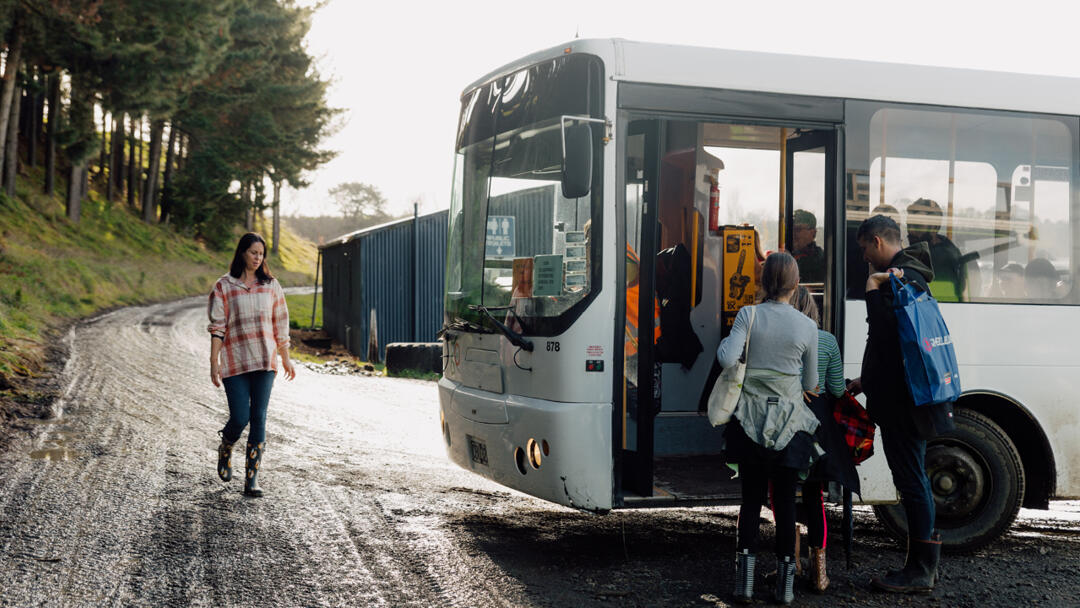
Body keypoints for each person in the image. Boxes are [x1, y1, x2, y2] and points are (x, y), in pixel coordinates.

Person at [848, 215, 954, 593]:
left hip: (905, 403)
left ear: (877, 241)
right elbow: (899, 346)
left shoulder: (896, 278)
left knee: (911, 480)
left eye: (863, 249)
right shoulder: (912, 275)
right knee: (914, 479)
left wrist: (872, 287)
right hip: (909, 396)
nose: (864, 258)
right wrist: (866, 381)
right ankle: (923, 566)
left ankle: (921, 571)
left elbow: (883, 331)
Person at [718, 252, 818, 605]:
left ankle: (743, 584)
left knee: (750, 501)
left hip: (749, 422)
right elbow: (811, 381)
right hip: (790, 426)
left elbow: (728, 359)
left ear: (763, 281)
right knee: (786, 504)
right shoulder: (807, 326)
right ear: (795, 284)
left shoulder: (750, 314)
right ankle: (786, 587)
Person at [208, 232, 296, 498]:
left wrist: (285, 357)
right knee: (240, 417)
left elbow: (280, 322)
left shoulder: (271, 285)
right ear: (242, 253)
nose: (258, 258)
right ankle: (226, 446)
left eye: (261, 254)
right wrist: (214, 361)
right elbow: (217, 327)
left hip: (263, 360)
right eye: (253, 252)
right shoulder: (224, 286)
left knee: (259, 418)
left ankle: (251, 478)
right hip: (235, 361)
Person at [789, 286, 859, 594]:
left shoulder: (780, 337)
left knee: (783, 495)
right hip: (817, 428)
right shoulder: (827, 340)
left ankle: (790, 566)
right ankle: (819, 574)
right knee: (814, 497)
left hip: (785, 424)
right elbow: (835, 390)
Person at [906, 198, 966, 301]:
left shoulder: (939, 257)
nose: (911, 231)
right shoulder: (949, 248)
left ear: (934, 228)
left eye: (917, 226)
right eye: (908, 225)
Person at [792, 209, 825, 284]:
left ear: (813, 233)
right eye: (790, 229)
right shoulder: (786, 255)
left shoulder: (820, 260)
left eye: (798, 229)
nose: (793, 233)